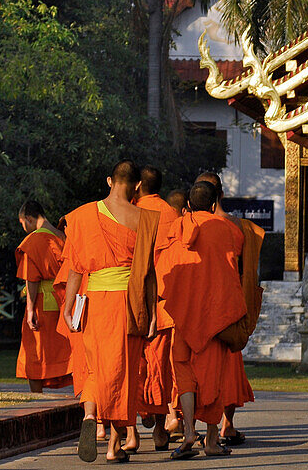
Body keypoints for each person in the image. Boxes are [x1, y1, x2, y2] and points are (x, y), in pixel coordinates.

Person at [63, 161, 158, 464]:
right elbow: (148, 273)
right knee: (123, 371)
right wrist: (153, 313)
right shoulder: (144, 218)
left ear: (109, 181)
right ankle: (113, 447)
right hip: (127, 302)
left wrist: (68, 306)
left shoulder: (82, 216)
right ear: (137, 187)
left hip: (93, 301)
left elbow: (76, 268)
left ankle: (91, 415)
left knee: (95, 367)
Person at [157, 180, 246, 457]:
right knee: (212, 379)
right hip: (215, 316)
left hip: (183, 314)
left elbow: (164, 271)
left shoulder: (175, 228)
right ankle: (209, 440)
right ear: (212, 204)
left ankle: (187, 433)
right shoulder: (227, 229)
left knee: (183, 372)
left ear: (187, 207)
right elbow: (234, 267)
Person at [194, 172, 263, 445]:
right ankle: (227, 425)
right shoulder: (239, 226)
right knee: (230, 365)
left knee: (195, 363)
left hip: (198, 303)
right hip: (231, 304)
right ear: (220, 196)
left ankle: (185, 423)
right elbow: (248, 272)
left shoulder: (190, 226)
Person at [134, 166, 179, 450]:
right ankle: (160, 429)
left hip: (134, 299)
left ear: (138, 185)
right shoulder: (171, 214)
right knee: (160, 365)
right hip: (164, 300)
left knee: (134, 364)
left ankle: (130, 429)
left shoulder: (129, 213)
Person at [15, 200, 72, 393]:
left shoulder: (32, 242)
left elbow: (31, 277)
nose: (23, 228)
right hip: (65, 301)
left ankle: (36, 397)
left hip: (41, 302)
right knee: (65, 349)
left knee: (34, 351)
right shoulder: (63, 236)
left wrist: (30, 308)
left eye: (22, 223)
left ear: (29, 218)